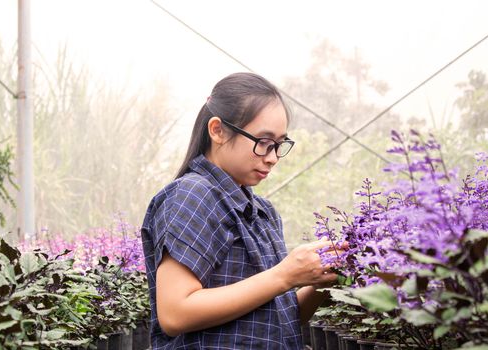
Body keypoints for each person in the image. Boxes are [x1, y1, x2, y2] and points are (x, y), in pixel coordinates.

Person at [141, 72, 346, 349]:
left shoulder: (263, 212)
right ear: (217, 130)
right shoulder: (193, 195)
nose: (272, 158)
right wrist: (284, 275)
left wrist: (321, 279)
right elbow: (176, 313)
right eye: (263, 142)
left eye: (279, 145)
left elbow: (278, 319)